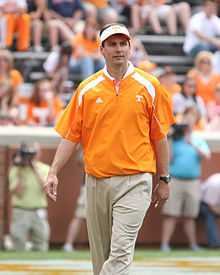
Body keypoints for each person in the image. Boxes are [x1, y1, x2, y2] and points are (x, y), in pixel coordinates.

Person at [44, 23, 174, 275]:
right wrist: (53, 171)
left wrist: (165, 178)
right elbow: (71, 135)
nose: (118, 49)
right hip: (96, 181)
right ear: (101, 49)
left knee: (120, 254)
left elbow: (160, 137)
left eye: (123, 43)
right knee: (100, 260)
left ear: (130, 47)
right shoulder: (87, 89)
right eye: (112, 44)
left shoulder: (150, 86)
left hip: (136, 180)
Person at [160, 106, 211, 252]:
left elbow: (206, 156)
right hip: (175, 180)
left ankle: (193, 244)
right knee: (171, 214)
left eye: (193, 116)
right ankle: (165, 244)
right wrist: (169, 137)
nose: (189, 119)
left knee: (190, 215)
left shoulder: (198, 138)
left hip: (192, 181)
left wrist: (192, 143)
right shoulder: (175, 137)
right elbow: (169, 158)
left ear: (196, 119)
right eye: (187, 115)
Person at [9, 143, 50, 251]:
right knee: (18, 241)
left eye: (33, 153)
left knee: (41, 240)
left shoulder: (45, 168)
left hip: (38, 210)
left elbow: (46, 189)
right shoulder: (16, 169)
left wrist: (34, 169)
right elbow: (17, 192)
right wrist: (20, 169)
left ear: (39, 153)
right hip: (21, 210)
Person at [63, 145, 86, 252]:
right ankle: (68, 244)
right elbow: (80, 160)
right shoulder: (89, 143)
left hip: (108, 184)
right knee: (79, 216)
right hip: (89, 186)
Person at [200, 173, 220, 248]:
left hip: (215, 204)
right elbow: (210, 206)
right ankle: (215, 244)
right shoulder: (215, 184)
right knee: (209, 215)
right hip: (202, 203)